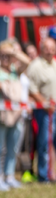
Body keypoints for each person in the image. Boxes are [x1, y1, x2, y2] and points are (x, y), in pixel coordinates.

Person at [0, 41, 29, 190]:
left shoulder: (15, 69)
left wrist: (14, 53)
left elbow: (27, 62)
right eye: (3, 55)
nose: (6, 58)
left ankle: (9, 175)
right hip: (2, 114)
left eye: (8, 55)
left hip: (17, 113)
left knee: (13, 147)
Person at [26, 37, 56, 182]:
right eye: (47, 48)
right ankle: (44, 175)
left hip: (54, 110)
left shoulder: (54, 64)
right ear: (41, 49)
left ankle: (52, 172)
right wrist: (45, 104)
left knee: (53, 143)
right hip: (43, 111)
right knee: (44, 143)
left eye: (52, 48)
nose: (50, 51)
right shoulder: (36, 66)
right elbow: (32, 89)